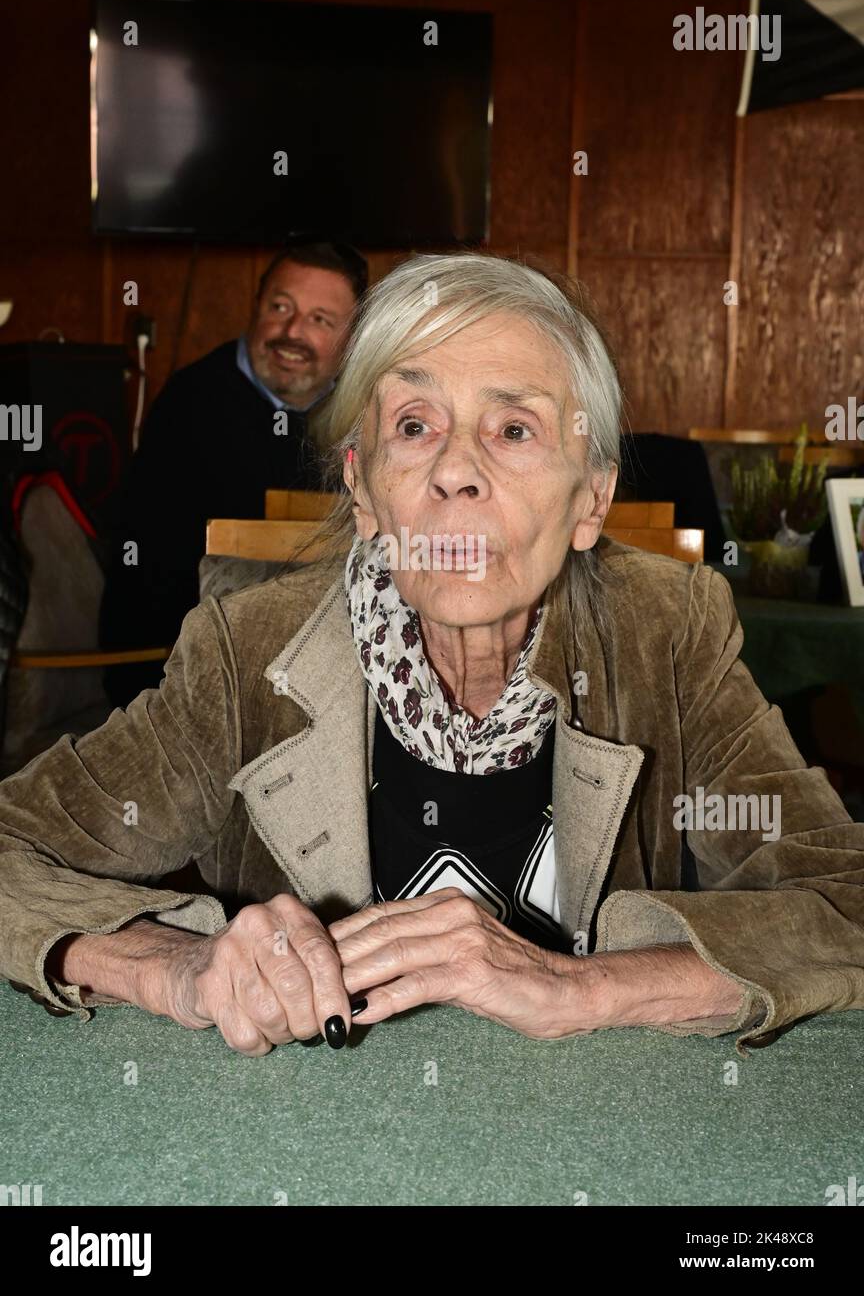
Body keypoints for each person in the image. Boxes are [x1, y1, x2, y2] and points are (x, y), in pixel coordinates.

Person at [2, 252, 863, 1059]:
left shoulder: (666, 635)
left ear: (590, 500)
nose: (457, 471)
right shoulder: (246, 656)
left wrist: (586, 987)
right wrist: (173, 964)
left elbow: (845, 902)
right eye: (415, 425)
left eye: (514, 429)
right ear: (365, 487)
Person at [98, 238, 367, 706]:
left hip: (317, 672)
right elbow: (148, 575)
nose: (292, 331)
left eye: (320, 320)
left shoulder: (366, 415)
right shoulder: (192, 401)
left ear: (352, 338)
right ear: (257, 305)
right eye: (280, 306)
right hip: (178, 671)